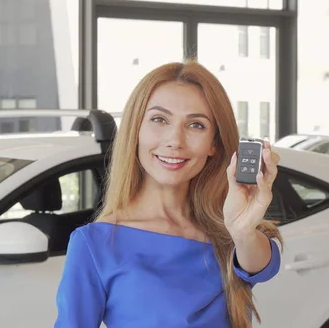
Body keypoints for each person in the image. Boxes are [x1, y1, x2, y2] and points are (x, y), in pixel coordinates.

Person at [54, 60, 283, 328]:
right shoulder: (94, 244)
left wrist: (243, 230)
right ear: (135, 131)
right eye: (159, 119)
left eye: (196, 125)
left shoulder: (229, 231)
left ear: (214, 145)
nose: (175, 140)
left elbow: (263, 267)